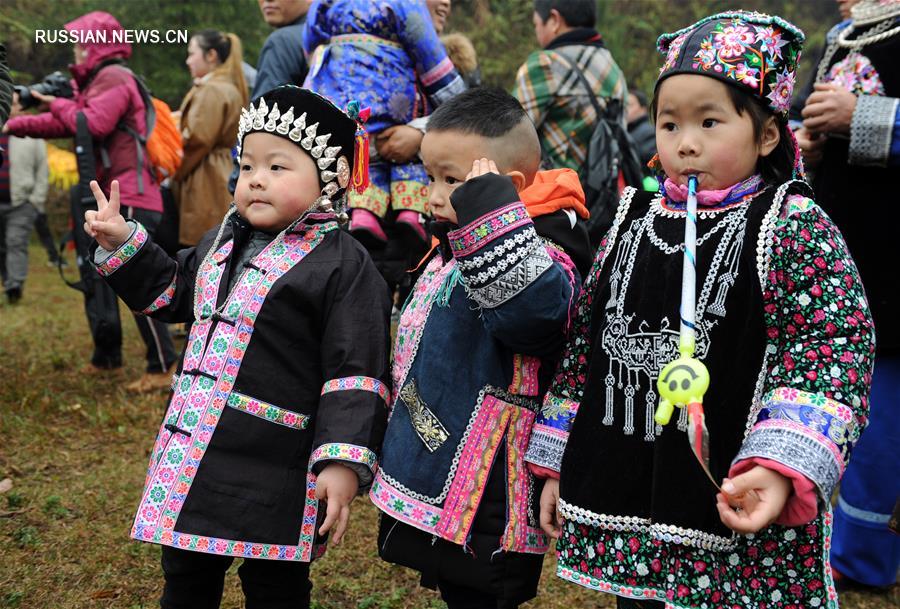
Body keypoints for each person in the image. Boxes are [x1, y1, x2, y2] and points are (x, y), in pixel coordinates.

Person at [528, 11, 876, 608]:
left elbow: (831, 343)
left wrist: (777, 464)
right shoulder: (632, 220)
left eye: (709, 121)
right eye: (668, 124)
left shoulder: (792, 226)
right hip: (629, 492)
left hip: (734, 496)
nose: (684, 142)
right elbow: (586, 344)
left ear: (767, 135)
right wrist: (563, 459)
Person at [83, 86, 390, 609]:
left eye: (277, 167)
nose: (255, 179)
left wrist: (339, 459)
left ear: (332, 179)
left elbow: (355, 369)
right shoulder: (221, 240)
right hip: (201, 448)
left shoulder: (345, 265)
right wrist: (123, 242)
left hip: (279, 457)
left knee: (275, 583)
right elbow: (176, 291)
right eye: (247, 165)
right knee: (185, 570)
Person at [370, 87, 592, 609]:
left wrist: (487, 213)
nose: (433, 195)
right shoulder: (453, 239)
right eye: (430, 177)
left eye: (452, 181)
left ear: (506, 188)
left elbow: (532, 317)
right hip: (444, 456)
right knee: (458, 589)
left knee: (483, 594)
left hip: (495, 479)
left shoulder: (547, 250)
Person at [3, 11, 177, 389]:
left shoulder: (114, 76)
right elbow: (68, 122)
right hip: (109, 196)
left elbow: (90, 122)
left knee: (138, 279)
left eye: (82, 43)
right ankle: (108, 356)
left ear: (98, 45)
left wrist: (51, 101)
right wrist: (11, 123)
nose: (77, 51)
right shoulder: (98, 82)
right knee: (99, 279)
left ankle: (162, 366)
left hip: (127, 195)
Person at [792, 0, 900, 592]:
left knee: (883, 407)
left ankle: (861, 556)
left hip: (892, 257)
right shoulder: (842, 36)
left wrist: (863, 113)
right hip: (844, 245)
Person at [303, 0, 465, 249]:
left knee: (367, 157)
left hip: (340, 111)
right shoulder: (406, 5)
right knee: (404, 158)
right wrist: (459, 99)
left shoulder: (327, 4)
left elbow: (310, 42)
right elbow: (435, 63)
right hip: (392, 104)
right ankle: (412, 213)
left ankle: (364, 215)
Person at [513, 0, 627, 174]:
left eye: (536, 24)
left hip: (557, 194)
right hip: (605, 195)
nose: (537, 32)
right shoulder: (613, 69)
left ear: (554, 20)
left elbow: (511, 134)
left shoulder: (544, 65)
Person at [174, 30, 248, 247]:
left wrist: (175, 172)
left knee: (202, 245)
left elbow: (198, 139)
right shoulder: (227, 87)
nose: (188, 61)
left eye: (192, 54)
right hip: (219, 169)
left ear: (211, 55)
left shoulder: (212, 90)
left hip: (205, 175)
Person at [0, 92, 48, 303]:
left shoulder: (31, 133)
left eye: (15, 103)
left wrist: (35, 201)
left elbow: (42, 170)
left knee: (15, 242)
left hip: (21, 203)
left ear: (22, 107)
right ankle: (8, 280)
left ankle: (15, 286)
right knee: (2, 246)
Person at [626, 88, 656, 170]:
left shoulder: (649, 133)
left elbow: (653, 168)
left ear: (643, 109)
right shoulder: (627, 132)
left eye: (629, 105)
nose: (625, 109)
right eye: (624, 105)